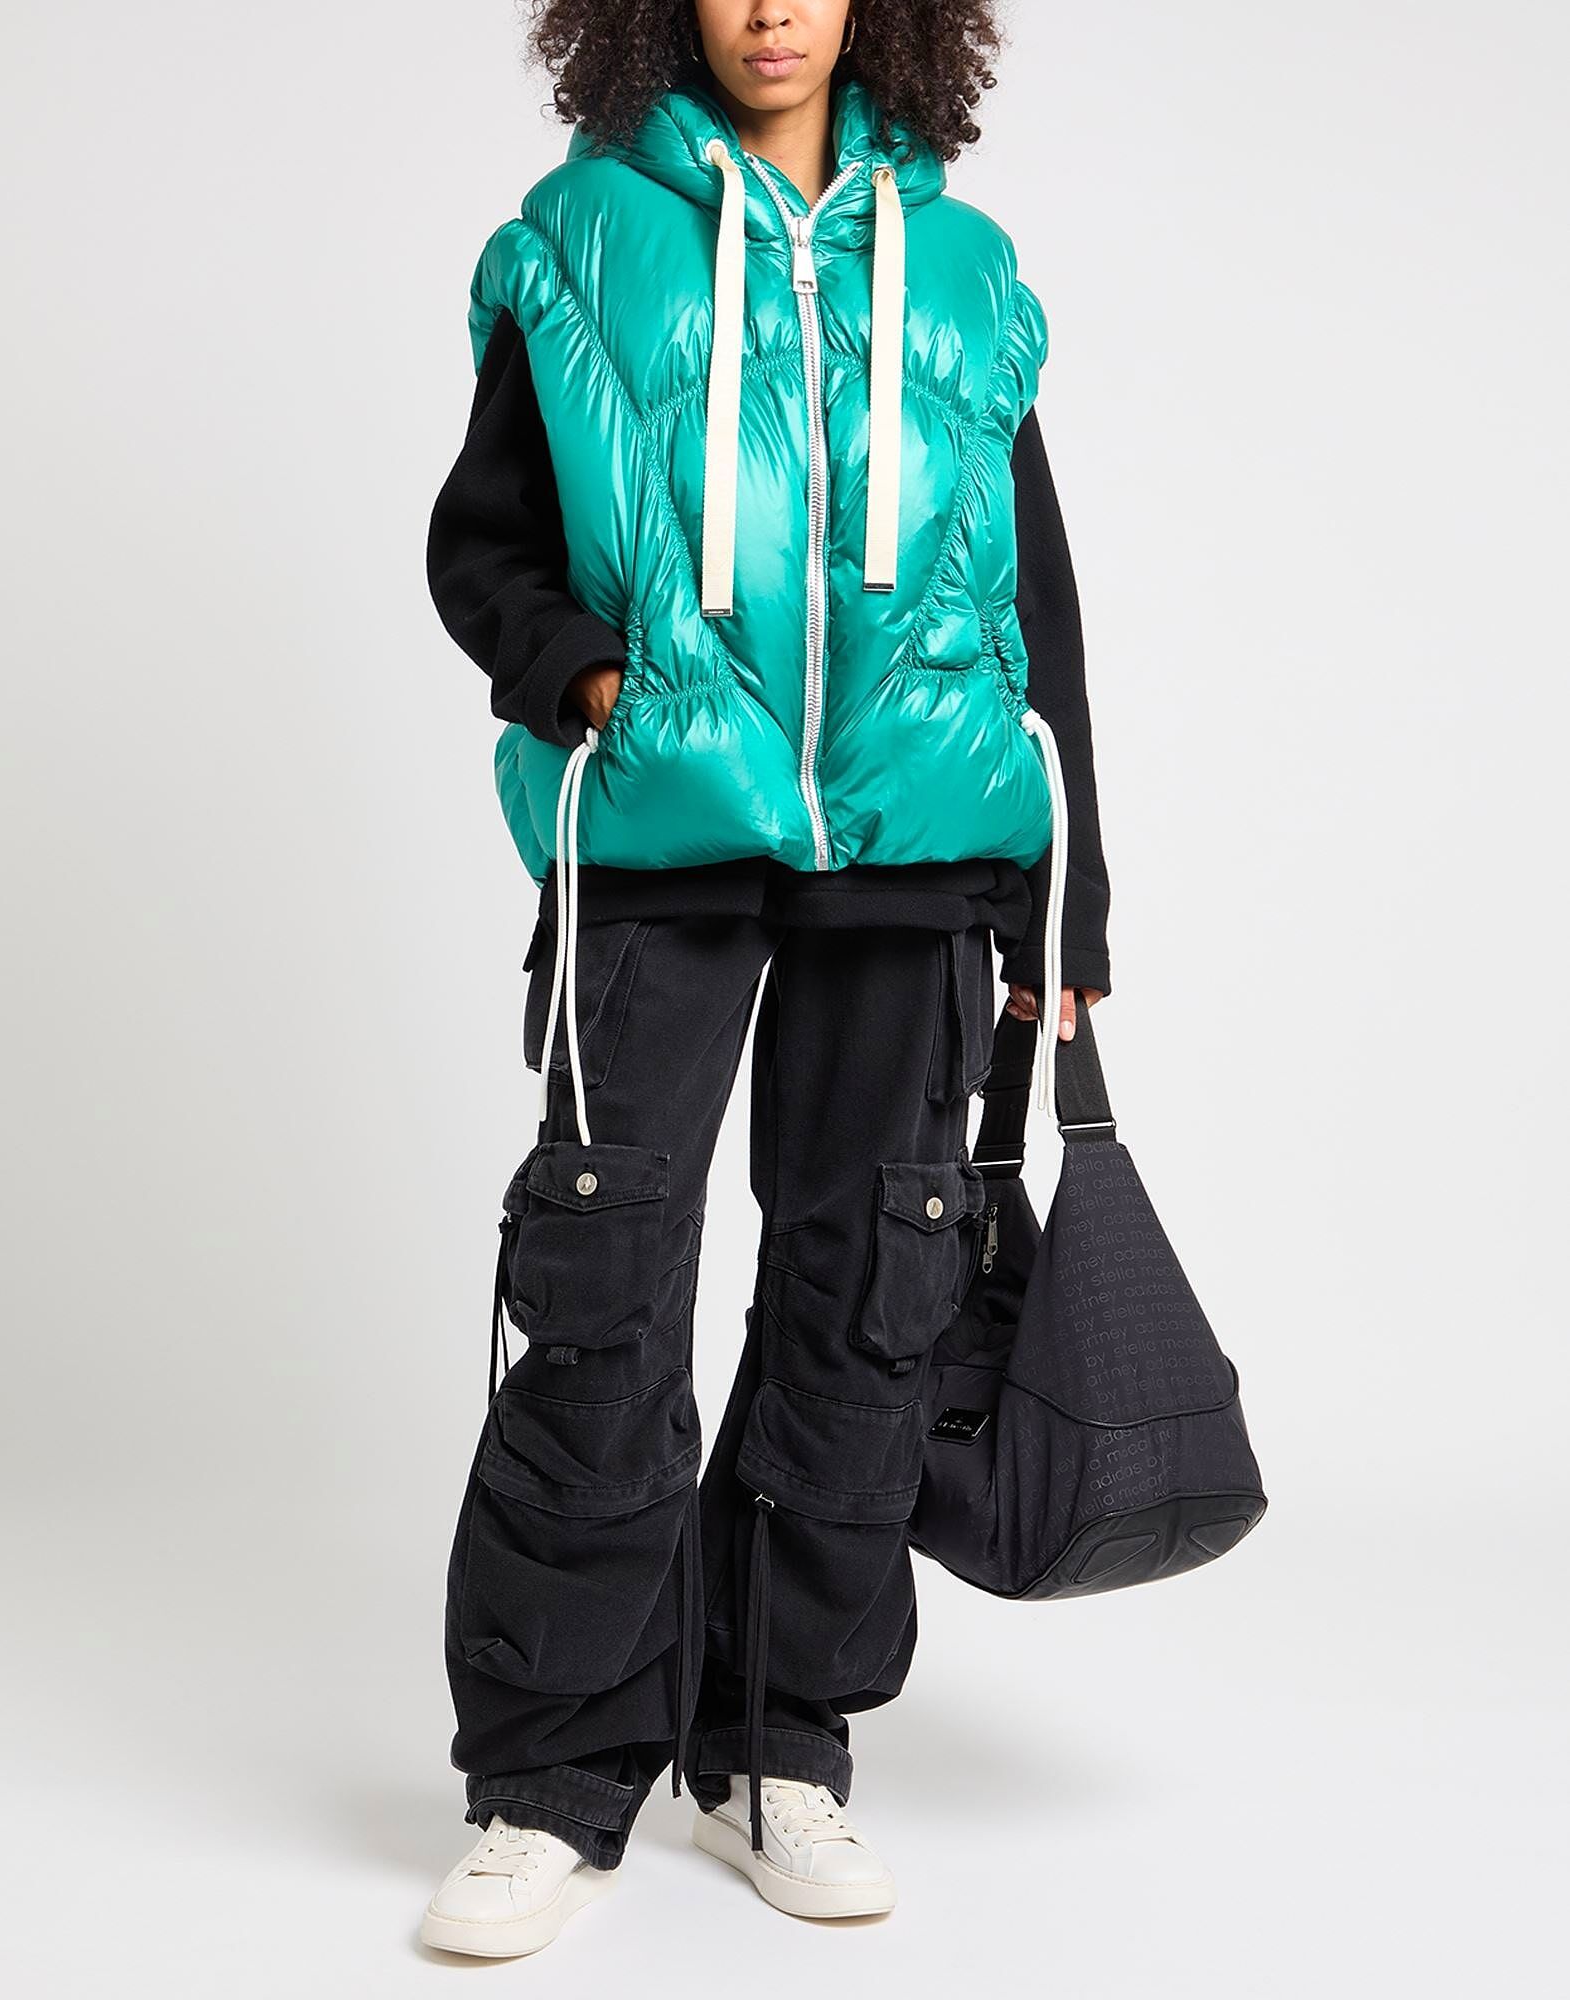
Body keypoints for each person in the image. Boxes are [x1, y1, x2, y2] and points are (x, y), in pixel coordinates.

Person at [419, 0, 1112, 1957]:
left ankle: (772, 1739)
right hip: (660, 840)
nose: (774, 7)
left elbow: (1036, 600)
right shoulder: (573, 240)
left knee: (866, 1299)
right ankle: (554, 1778)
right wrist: (585, 677)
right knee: (603, 1288)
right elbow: (483, 545)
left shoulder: (967, 272)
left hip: (920, 855)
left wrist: (1076, 916)